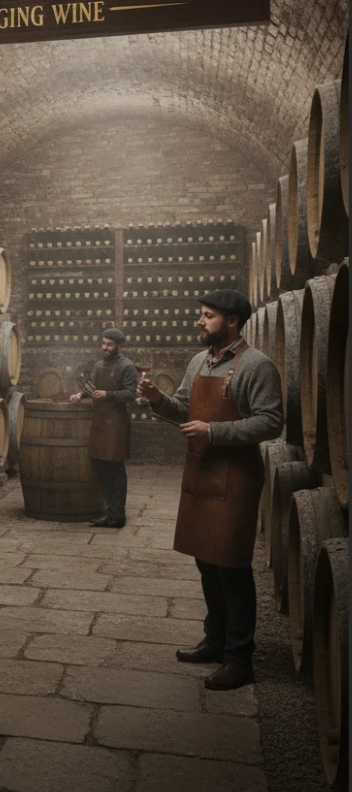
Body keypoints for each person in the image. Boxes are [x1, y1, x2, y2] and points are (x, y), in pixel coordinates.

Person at [137, 290, 283, 691]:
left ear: (232, 321)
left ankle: (240, 658)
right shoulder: (199, 361)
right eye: (200, 315)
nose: (199, 322)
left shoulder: (257, 365)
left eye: (207, 316)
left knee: (232, 566)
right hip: (202, 472)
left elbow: (271, 422)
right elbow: (184, 408)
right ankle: (215, 641)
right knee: (205, 561)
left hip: (236, 476)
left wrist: (214, 432)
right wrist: (157, 400)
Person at [68, 328, 139, 528]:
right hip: (100, 422)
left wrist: (108, 394)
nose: (104, 348)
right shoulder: (99, 365)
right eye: (103, 343)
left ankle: (118, 515)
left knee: (115, 469)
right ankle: (110, 512)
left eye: (109, 344)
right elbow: (90, 386)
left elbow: (131, 394)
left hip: (116, 423)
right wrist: (80, 395)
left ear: (118, 346)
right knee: (101, 467)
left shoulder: (126, 366)